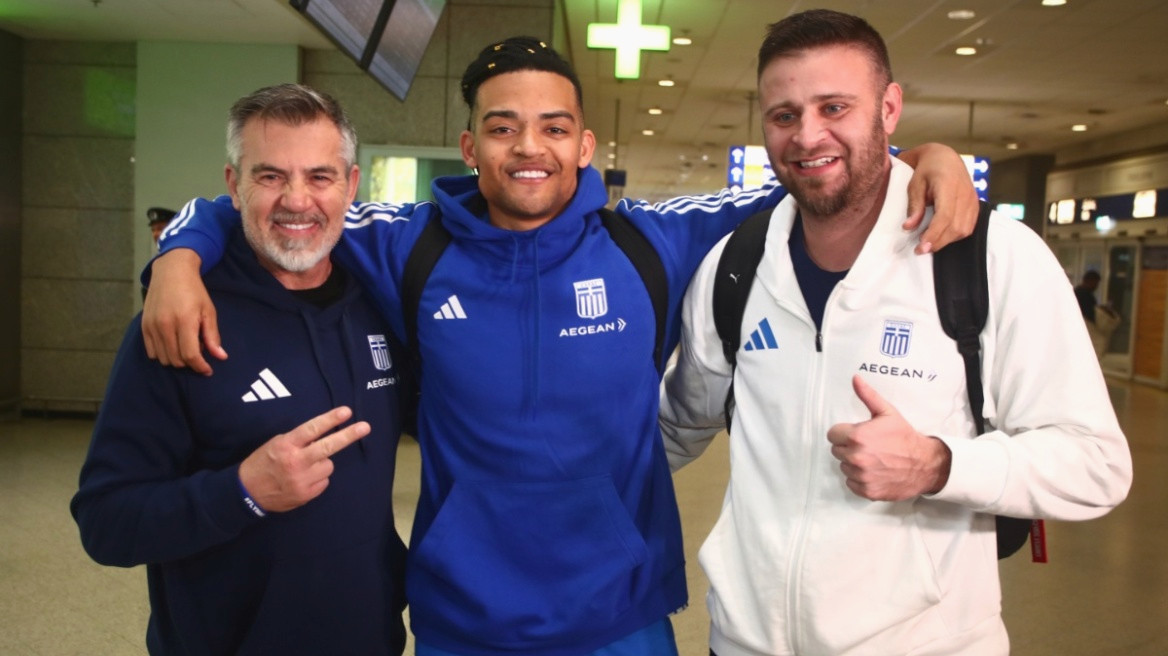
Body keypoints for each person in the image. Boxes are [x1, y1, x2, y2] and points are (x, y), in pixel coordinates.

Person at [140, 38, 979, 656]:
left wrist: (924, 159)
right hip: (462, 619)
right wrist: (177, 257)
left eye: (553, 127)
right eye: (502, 128)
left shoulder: (651, 243)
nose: (528, 148)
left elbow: (817, 173)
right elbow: (266, 205)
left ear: (584, 145)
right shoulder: (406, 243)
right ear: (470, 147)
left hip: (620, 616)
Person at [658, 10, 1133, 656]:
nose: (808, 135)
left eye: (834, 107)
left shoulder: (990, 257)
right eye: (784, 115)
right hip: (744, 642)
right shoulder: (735, 265)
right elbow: (676, 426)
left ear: (888, 108)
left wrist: (939, 464)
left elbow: (1097, 464)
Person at [71, 84, 410, 655]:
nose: (297, 200)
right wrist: (243, 492)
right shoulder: (182, 323)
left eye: (320, 177)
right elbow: (106, 524)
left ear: (351, 186)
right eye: (270, 176)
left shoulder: (380, 303)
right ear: (234, 185)